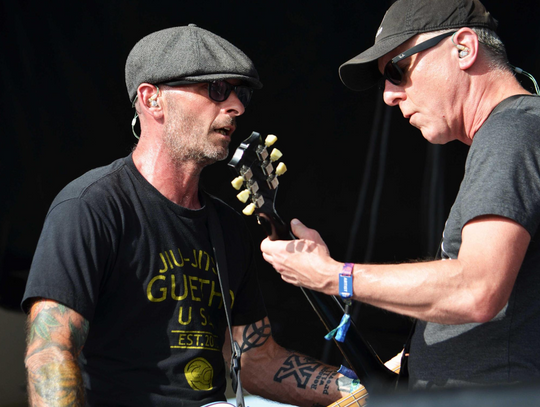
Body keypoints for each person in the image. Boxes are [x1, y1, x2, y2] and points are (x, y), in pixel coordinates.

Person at [22, 25, 356, 407]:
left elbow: (258, 361)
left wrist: (362, 389)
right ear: (152, 100)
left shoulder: (228, 227)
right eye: (216, 89)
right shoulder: (91, 207)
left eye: (240, 93)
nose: (237, 106)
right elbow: (50, 352)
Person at [261, 0, 540, 390]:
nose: (389, 95)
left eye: (397, 69)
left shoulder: (512, 131)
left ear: (463, 48)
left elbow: (477, 289)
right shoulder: (513, 131)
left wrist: (332, 276)